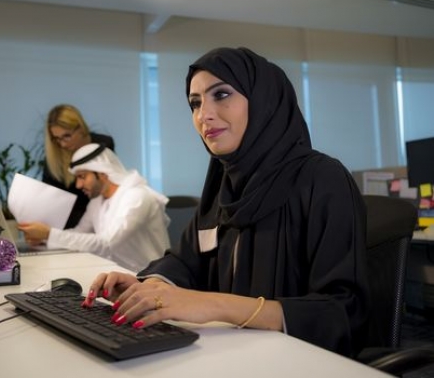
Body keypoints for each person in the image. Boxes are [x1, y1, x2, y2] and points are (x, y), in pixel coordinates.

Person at [83, 47, 371, 358]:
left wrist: (212, 304)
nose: (203, 114)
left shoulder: (322, 179)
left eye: (220, 94)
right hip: (231, 354)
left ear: (262, 100)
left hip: (300, 362)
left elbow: (342, 311)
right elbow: (186, 261)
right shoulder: (223, 185)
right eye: (195, 103)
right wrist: (147, 287)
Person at [18, 143, 170, 272]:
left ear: (103, 173)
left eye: (82, 177)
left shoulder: (137, 197)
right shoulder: (96, 202)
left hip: (149, 279)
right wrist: (44, 239)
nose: (78, 185)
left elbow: (107, 244)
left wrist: (49, 234)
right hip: (113, 275)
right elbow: (79, 234)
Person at [43, 104, 115, 229]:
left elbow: (108, 187)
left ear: (80, 127)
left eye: (67, 136)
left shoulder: (102, 146)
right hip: (67, 222)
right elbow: (50, 201)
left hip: (102, 218)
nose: (63, 144)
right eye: (57, 139)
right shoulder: (54, 160)